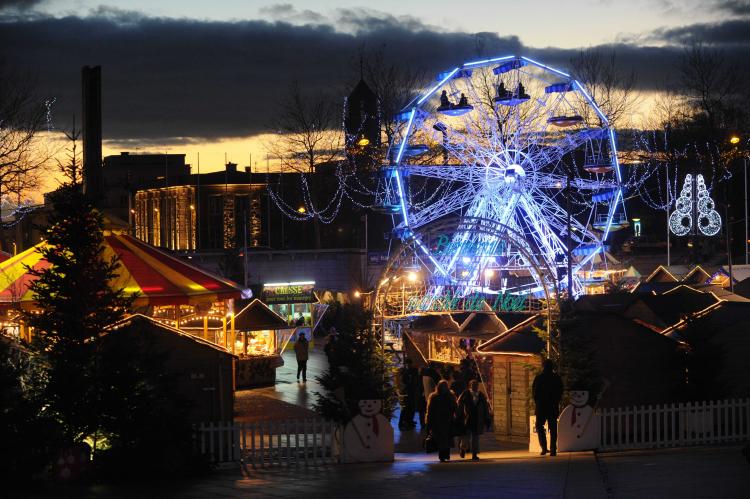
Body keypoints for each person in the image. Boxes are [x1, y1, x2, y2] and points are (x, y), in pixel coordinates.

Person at [532, 359, 564, 456]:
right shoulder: (557, 378)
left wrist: (537, 401)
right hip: (553, 406)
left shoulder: (539, 378)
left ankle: (544, 448)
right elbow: (560, 391)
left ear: (543, 366)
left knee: (539, 426)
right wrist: (556, 401)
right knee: (553, 427)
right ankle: (553, 449)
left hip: (541, 406)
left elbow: (535, 392)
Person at [457, 380, 491, 460]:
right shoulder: (465, 393)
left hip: (477, 419)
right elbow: (459, 403)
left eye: (476, 385)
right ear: (470, 386)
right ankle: (463, 448)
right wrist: (458, 415)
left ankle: (474, 454)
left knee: (475, 438)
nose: (475, 386)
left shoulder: (481, 395)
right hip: (467, 418)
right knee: (466, 436)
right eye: (473, 385)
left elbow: (485, 407)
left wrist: (487, 417)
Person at [425, 380, 457, 462]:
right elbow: (430, 410)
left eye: (445, 386)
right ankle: (443, 455)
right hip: (438, 421)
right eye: (442, 386)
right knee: (442, 439)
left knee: (447, 438)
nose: (444, 388)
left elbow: (455, 407)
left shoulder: (450, 396)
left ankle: (445, 455)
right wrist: (429, 422)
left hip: (447, 420)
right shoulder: (434, 397)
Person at [398, 358, 419, 430]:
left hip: (408, 392)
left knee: (408, 408)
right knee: (408, 408)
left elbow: (403, 382)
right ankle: (405, 422)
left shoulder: (407, 371)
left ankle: (407, 422)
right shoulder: (410, 372)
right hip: (409, 392)